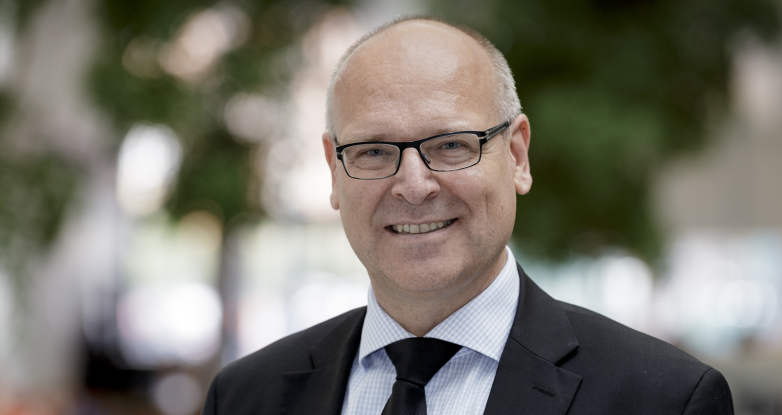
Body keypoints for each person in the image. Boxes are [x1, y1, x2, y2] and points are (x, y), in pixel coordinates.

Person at [201, 15, 734, 415]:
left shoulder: (664, 399)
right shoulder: (245, 397)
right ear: (334, 171)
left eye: (452, 145)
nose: (413, 187)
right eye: (373, 151)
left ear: (517, 156)